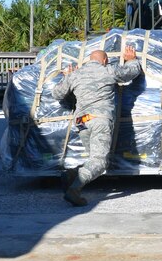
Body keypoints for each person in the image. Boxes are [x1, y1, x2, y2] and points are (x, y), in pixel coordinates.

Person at [52, 46, 143, 206]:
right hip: (99, 120)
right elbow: (131, 72)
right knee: (100, 162)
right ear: (105, 60)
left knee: (93, 158)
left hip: (82, 122)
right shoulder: (107, 70)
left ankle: (72, 174)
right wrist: (132, 60)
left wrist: (66, 77)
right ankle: (75, 189)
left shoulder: (75, 75)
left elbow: (57, 93)